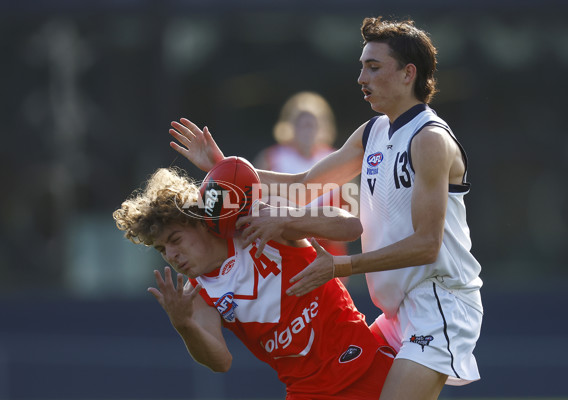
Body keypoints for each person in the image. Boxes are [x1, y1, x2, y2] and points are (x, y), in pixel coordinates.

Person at [167, 16, 483, 400]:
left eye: (374, 66)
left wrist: (338, 266)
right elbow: (304, 186)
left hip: (440, 300)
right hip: (399, 310)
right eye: (361, 66)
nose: (361, 78)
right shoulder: (374, 131)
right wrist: (226, 168)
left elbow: (426, 246)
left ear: (408, 74)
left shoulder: (430, 139)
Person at [112, 167, 395, 400]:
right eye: (162, 250)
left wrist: (287, 216)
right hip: (309, 392)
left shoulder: (258, 221)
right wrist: (184, 325)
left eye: (175, 240)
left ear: (199, 221)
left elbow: (350, 227)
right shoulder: (197, 294)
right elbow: (221, 361)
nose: (171, 255)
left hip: (367, 364)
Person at [253, 91, 348, 257]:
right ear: (290, 126)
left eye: (312, 125)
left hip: (325, 247)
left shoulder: (334, 158)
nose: (307, 130)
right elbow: (256, 199)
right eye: (302, 124)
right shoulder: (272, 157)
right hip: (282, 245)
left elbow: (349, 207)